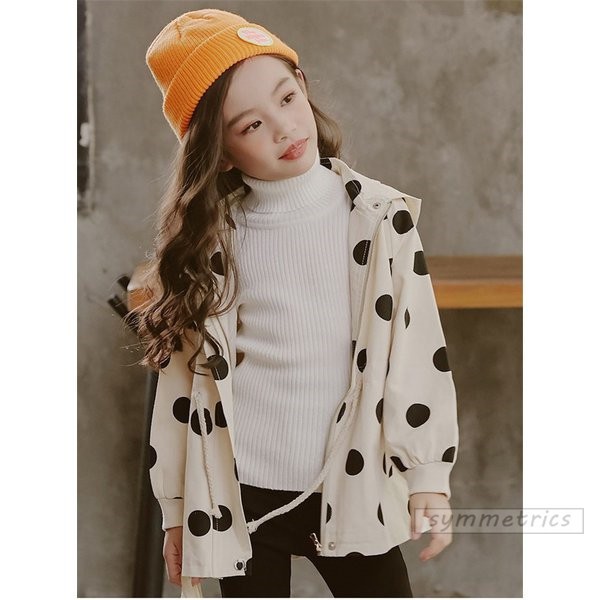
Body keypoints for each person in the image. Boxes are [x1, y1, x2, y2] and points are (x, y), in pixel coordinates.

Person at [138, 8, 459, 599]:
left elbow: (417, 353)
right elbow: (182, 390)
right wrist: (178, 510)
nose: (284, 128)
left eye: (287, 98)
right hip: (241, 497)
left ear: (303, 84)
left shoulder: (380, 220)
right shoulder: (213, 243)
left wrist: (428, 475)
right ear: (220, 152)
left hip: (350, 484)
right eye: (251, 125)